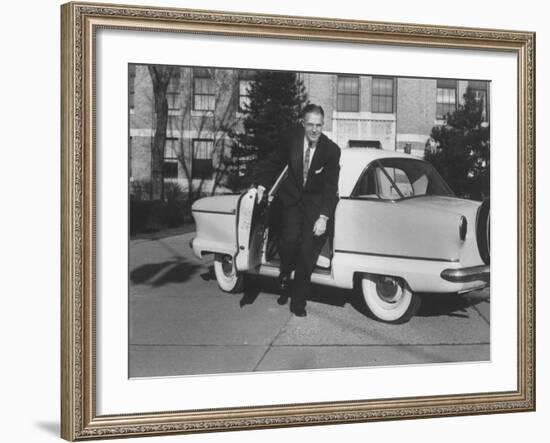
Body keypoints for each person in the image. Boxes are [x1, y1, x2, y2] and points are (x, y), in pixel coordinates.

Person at [254, 104, 341, 317]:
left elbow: (330, 188)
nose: (314, 130)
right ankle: (284, 272)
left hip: (314, 206)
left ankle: (298, 302)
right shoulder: (290, 138)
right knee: (289, 241)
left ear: (323, 125)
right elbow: (274, 162)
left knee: (306, 255)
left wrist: (323, 218)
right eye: (310, 124)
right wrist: (262, 185)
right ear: (303, 124)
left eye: (318, 125)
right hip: (291, 201)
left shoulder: (331, 150)